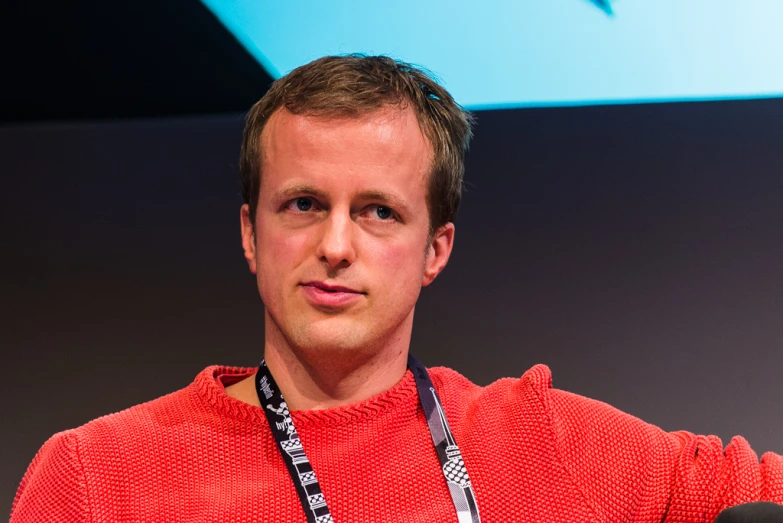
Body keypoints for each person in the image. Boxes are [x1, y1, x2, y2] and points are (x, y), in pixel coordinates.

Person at [9, 54, 783, 523]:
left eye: (378, 211)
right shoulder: (98, 477)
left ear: (434, 248)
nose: (335, 246)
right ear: (250, 232)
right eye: (303, 204)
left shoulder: (539, 440)